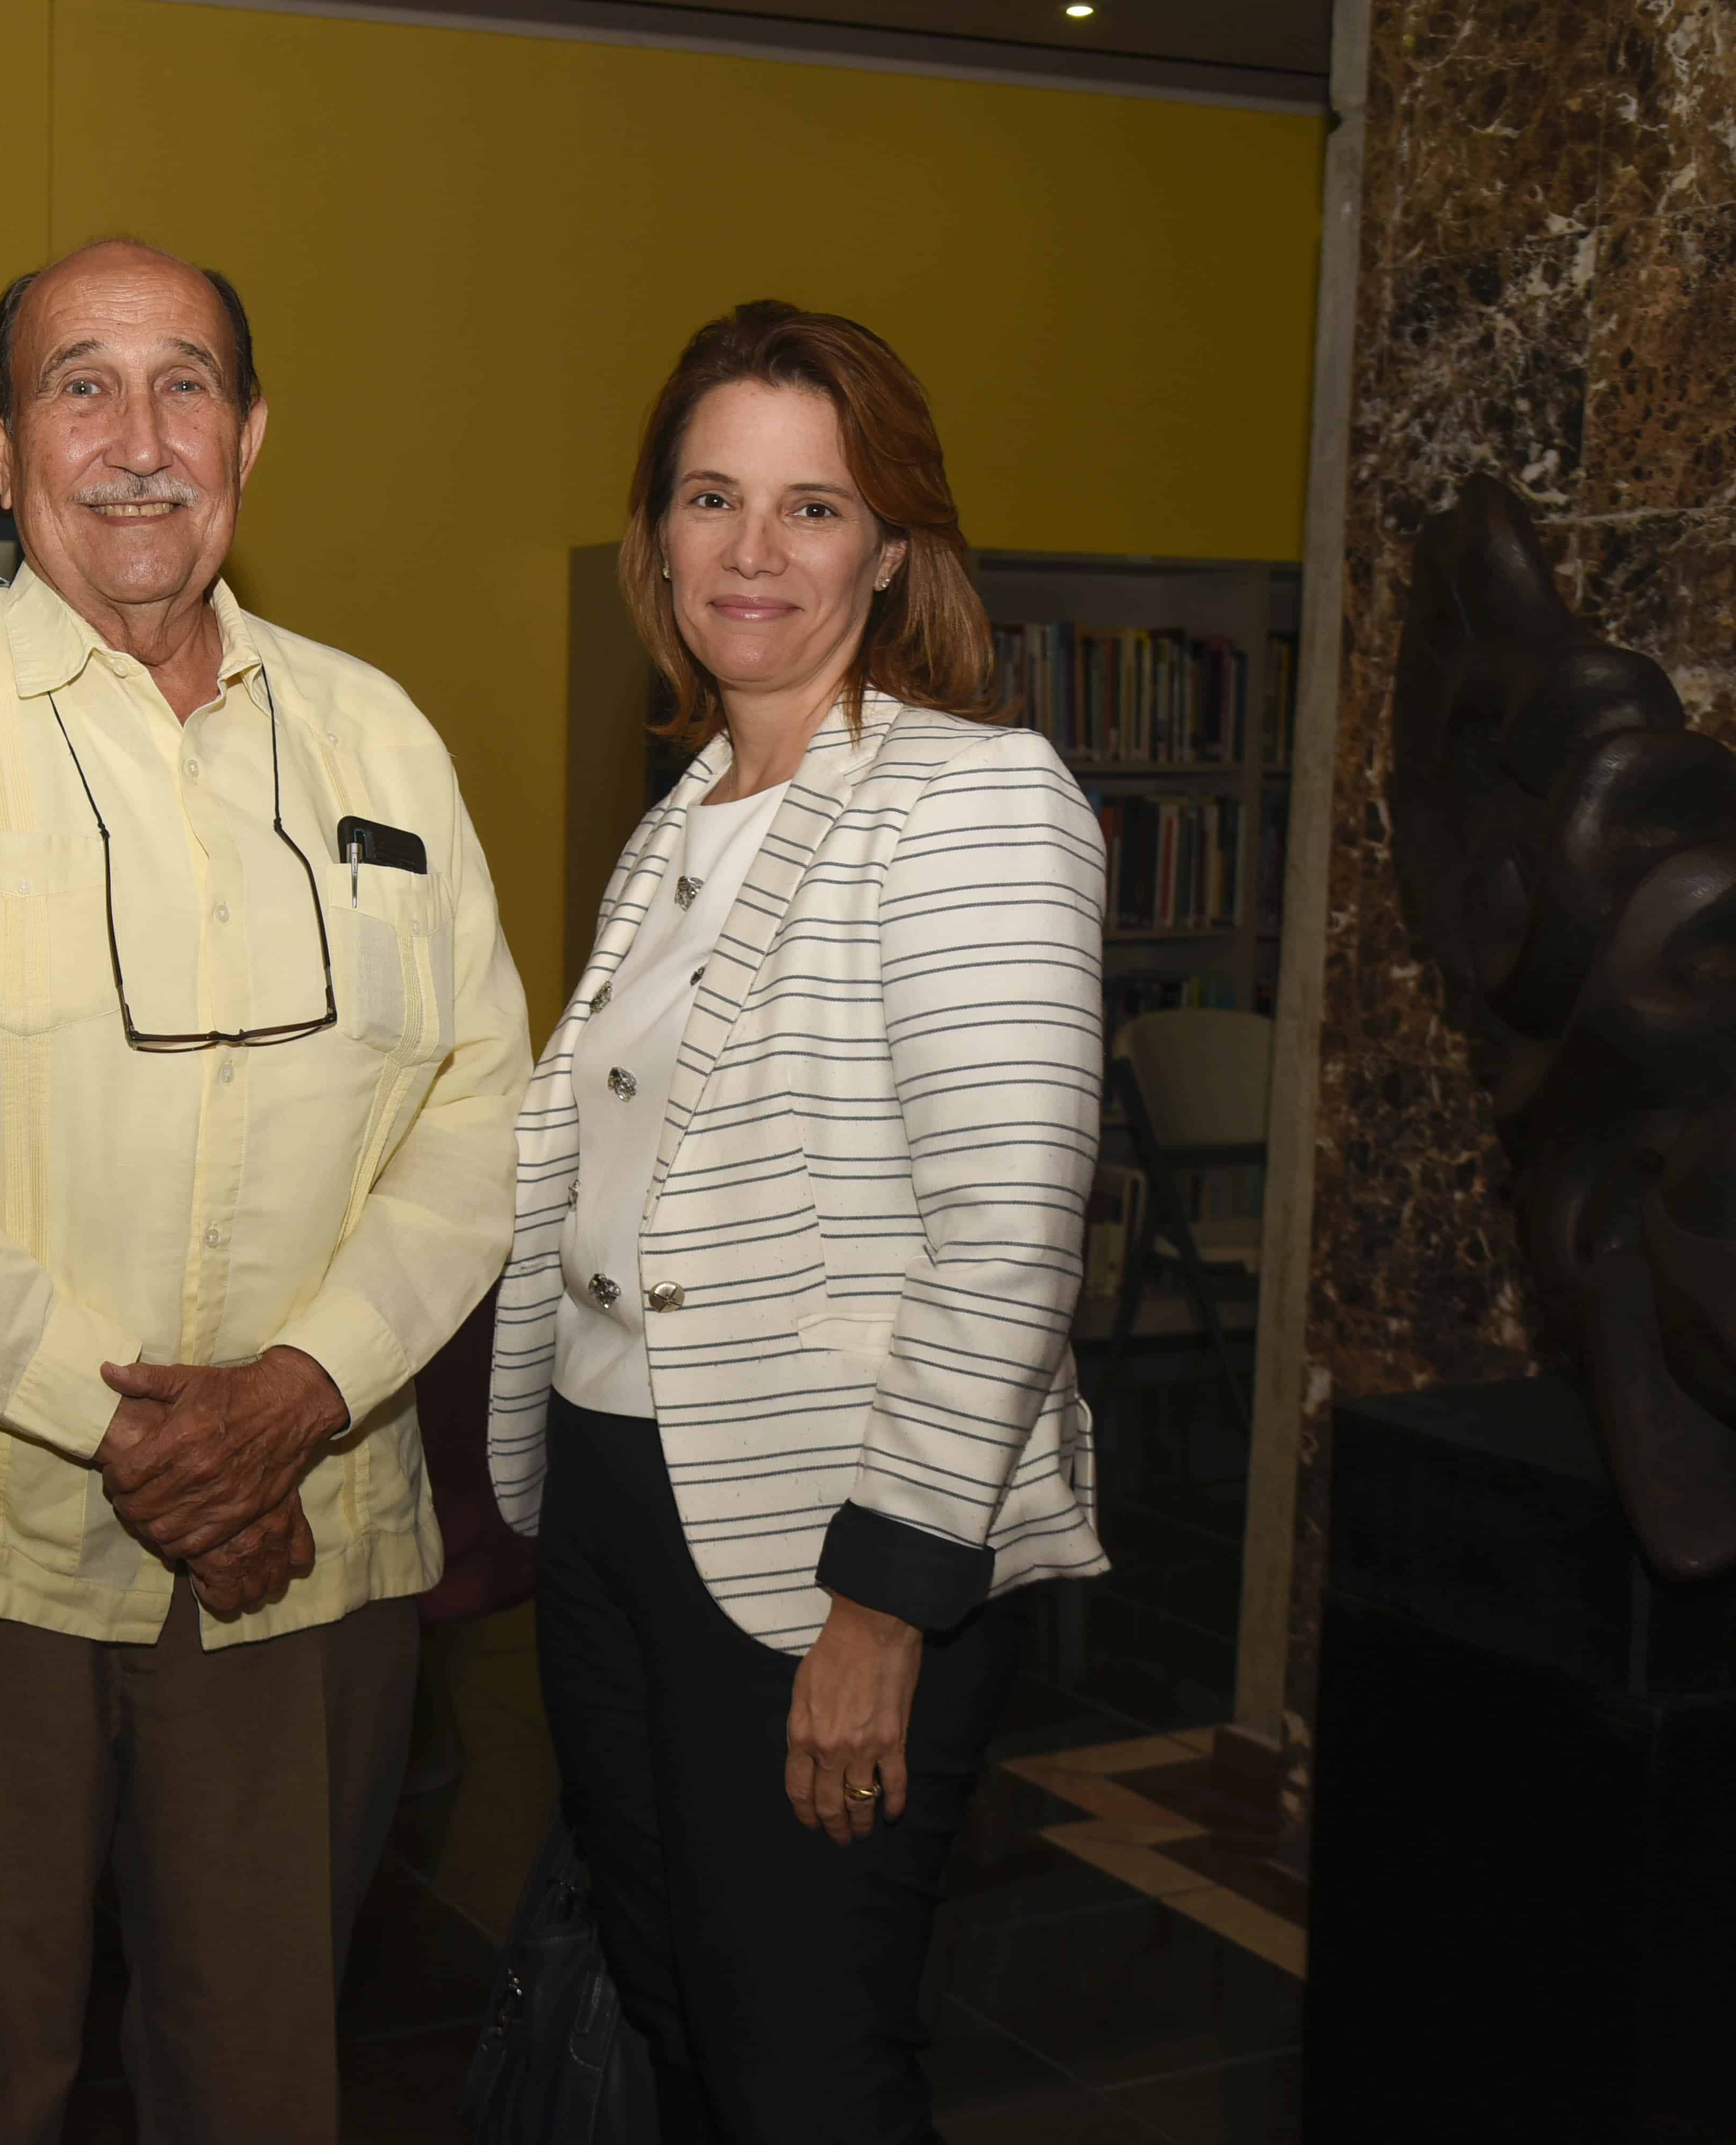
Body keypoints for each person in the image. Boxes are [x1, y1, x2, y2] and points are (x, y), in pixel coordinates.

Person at [0, 239, 533, 2144]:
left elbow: (487, 1109)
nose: (138, 439)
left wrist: (298, 1402)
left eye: (185, 387)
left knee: (263, 2082)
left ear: (250, 432)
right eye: (81, 385)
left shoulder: (378, 734)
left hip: (303, 1555)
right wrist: (164, 1433)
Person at [486, 300, 1111, 2142]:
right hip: (612, 1496)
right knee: (679, 2022)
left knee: (805, 2068)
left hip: (819, 1537)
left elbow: (1009, 1239)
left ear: (893, 549)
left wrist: (884, 1605)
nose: (753, 552)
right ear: (656, 538)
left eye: (812, 507)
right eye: (711, 497)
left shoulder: (974, 798)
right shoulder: (682, 817)